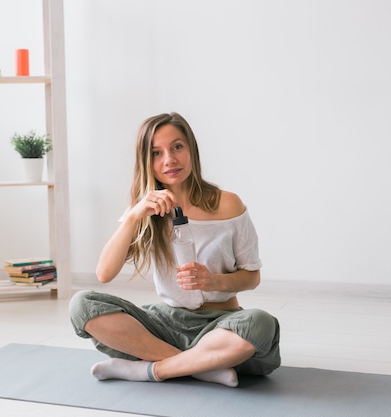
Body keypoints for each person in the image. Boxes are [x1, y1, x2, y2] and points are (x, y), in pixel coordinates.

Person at [69, 112, 281, 387]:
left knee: (260, 323)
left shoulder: (229, 204)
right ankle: (202, 367)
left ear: (191, 149)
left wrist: (214, 280)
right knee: (81, 306)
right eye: (156, 153)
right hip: (165, 325)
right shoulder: (146, 208)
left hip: (221, 325)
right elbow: (104, 273)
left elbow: (252, 277)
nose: (169, 159)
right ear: (147, 161)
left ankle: (151, 370)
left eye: (177, 147)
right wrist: (134, 216)